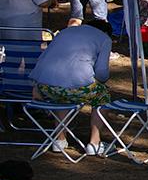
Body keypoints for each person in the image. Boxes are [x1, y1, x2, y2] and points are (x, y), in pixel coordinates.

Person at [29, 20, 113, 157]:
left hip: (46, 86)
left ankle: (59, 140)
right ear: (106, 32)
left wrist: (36, 85)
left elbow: (43, 58)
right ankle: (95, 143)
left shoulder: (64, 32)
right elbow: (102, 73)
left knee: (63, 95)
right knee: (102, 96)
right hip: (76, 88)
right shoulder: (104, 38)